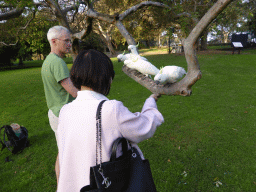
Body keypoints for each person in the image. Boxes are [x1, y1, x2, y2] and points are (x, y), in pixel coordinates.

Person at [56, 49, 164, 192]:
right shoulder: (111, 109)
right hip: (103, 186)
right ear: (107, 77)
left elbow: (62, 154)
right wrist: (151, 102)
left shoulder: (65, 111)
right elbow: (144, 127)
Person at [41, 26, 79, 186]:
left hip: (56, 113)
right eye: (67, 41)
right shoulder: (57, 63)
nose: (70, 44)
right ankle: (64, 186)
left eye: (70, 41)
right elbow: (74, 92)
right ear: (54, 41)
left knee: (62, 151)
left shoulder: (49, 60)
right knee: (66, 154)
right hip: (63, 115)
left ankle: (60, 185)